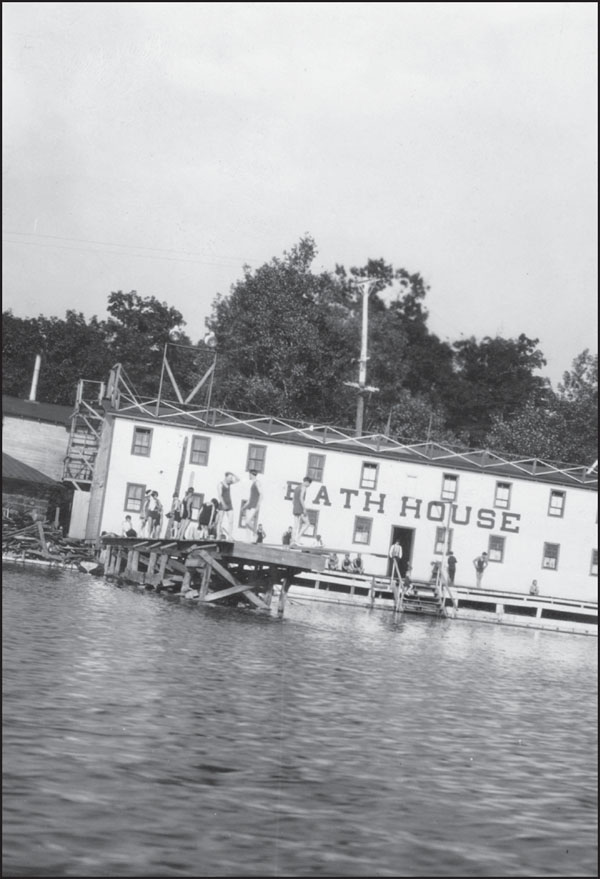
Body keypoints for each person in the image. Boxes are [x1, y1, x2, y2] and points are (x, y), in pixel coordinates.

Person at [216, 472, 240, 539]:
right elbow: (220, 496)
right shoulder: (220, 484)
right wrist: (223, 504)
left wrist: (233, 474)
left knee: (231, 521)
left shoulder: (229, 483)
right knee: (220, 521)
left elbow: (238, 480)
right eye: (229, 478)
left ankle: (229, 536)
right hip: (223, 504)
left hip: (229, 504)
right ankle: (217, 536)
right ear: (225, 477)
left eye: (231, 478)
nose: (230, 479)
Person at [240, 470, 262, 539]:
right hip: (250, 505)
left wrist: (258, 505)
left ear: (252, 475)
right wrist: (244, 506)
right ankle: (248, 539)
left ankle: (256, 533)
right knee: (247, 524)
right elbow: (250, 498)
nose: (249, 476)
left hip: (254, 505)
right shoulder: (253, 484)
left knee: (248, 522)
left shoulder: (257, 483)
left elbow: (261, 494)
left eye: (249, 474)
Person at [291, 476, 312, 545]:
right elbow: (301, 498)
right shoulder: (303, 487)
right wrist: (304, 509)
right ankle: (297, 538)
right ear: (306, 482)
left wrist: (295, 506)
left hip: (295, 507)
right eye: (309, 484)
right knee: (307, 523)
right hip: (300, 507)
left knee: (295, 526)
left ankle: (293, 541)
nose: (309, 485)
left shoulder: (297, 487)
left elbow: (293, 500)